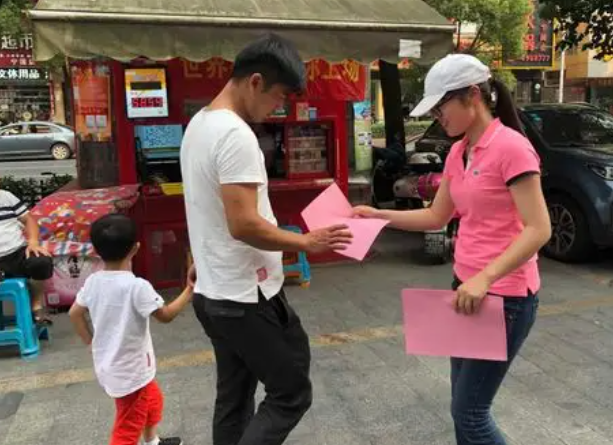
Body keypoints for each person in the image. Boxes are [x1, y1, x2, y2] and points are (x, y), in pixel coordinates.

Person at [354, 54, 552, 444]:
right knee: (462, 408)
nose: (438, 117)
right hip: (465, 290)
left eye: (441, 107)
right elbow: (436, 216)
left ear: (472, 96)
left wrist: (485, 278)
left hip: (505, 298)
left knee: (471, 413)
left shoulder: (512, 148)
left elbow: (539, 228)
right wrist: (377, 216)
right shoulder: (459, 152)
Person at [180, 34, 352, 445]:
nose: (278, 108)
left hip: (215, 291)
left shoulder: (199, 124)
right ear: (255, 81)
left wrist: (203, 255)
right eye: (278, 97)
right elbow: (243, 223)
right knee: (290, 393)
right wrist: (306, 243)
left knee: (234, 399)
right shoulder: (235, 134)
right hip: (244, 296)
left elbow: (208, 207)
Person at [69, 214, 193, 445]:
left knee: (153, 400)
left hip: (115, 365)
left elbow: (74, 313)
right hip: (130, 371)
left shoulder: (93, 281)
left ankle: (152, 441)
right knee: (127, 428)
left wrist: (91, 343)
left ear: (95, 251)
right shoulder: (137, 287)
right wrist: (189, 290)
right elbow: (166, 315)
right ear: (136, 248)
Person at [0, 189, 53, 324]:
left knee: (41, 261)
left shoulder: (6, 196)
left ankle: (36, 305)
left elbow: (29, 220)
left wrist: (33, 242)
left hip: (16, 252)